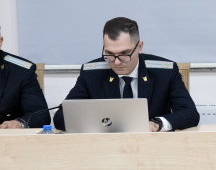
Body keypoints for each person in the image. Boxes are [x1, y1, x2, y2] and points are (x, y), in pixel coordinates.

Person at [52, 17, 199, 131]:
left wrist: (157, 124)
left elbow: (190, 113)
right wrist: (100, 125)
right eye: (110, 54)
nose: (117, 62)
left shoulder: (165, 71)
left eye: (125, 53)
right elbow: (61, 117)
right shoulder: (91, 73)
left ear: (139, 47)